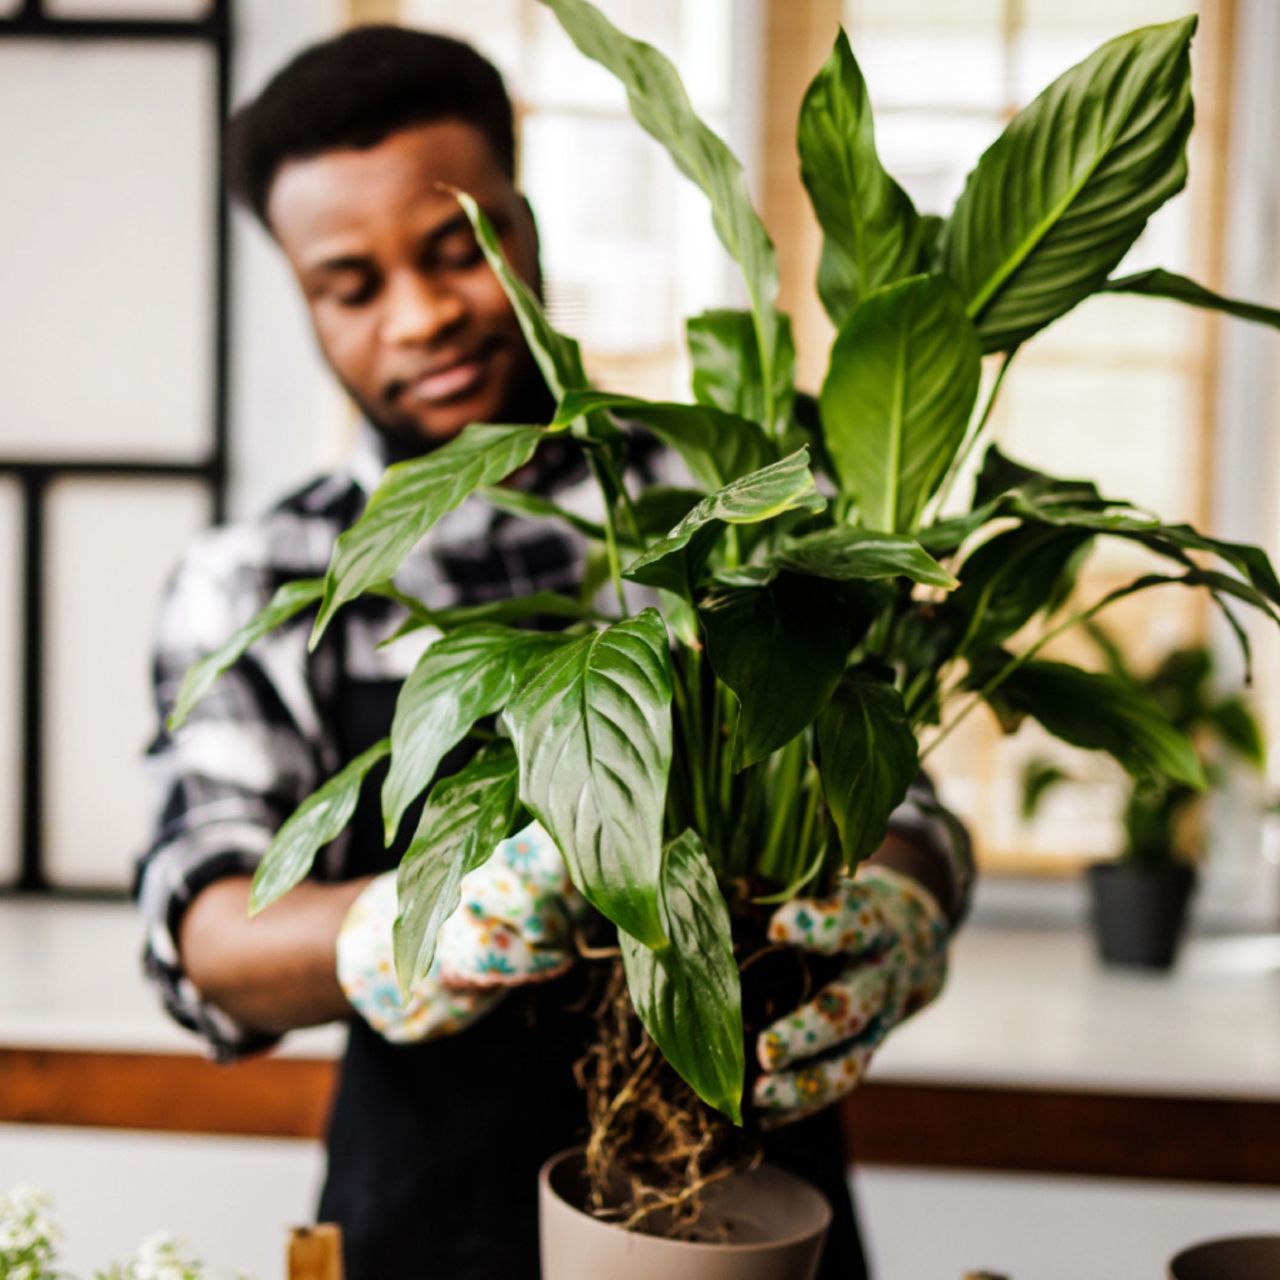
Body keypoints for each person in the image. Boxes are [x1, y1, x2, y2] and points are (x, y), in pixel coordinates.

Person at [134, 25, 973, 1280]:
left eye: (457, 247)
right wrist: (402, 922)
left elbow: (891, 792)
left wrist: (907, 889)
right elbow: (204, 927)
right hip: (428, 1220)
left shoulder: (730, 496)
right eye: (351, 286)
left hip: (744, 1198)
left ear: (523, 225)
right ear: (304, 301)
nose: (422, 316)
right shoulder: (261, 578)